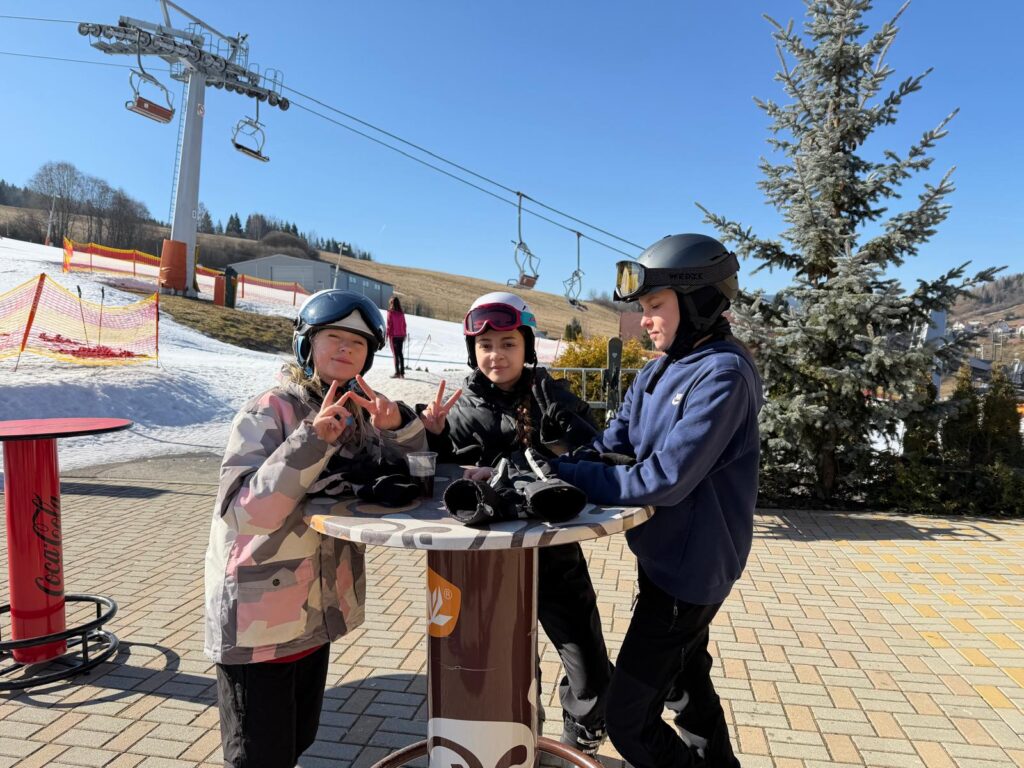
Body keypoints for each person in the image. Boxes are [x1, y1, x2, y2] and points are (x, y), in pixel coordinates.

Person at [553, 234, 763, 768]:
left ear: (699, 301)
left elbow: (665, 478)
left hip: (692, 571)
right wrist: (557, 465)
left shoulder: (723, 375)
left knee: (629, 719)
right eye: (643, 308)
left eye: (654, 306)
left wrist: (570, 475)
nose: (644, 320)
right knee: (685, 684)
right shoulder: (659, 369)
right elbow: (614, 441)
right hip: (663, 559)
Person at [204, 289, 427, 768]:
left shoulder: (359, 413)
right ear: (307, 343)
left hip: (313, 611)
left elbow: (405, 479)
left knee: (297, 741)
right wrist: (311, 440)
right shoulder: (271, 409)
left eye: (358, 342)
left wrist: (402, 427)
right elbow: (245, 512)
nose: (346, 348)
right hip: (258, 619)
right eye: (333, 337)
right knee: (259, 757)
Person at [419, 291, 613, 756]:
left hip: (553, 550)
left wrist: (561, 440)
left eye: (508, 343)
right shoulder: (462, 406)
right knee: (511, 660)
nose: (496, 355)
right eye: (485, 346)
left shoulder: (550, 394)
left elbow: (596, 453)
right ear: (473, 352)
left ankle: (581, 738)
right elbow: (440, 481)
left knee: (586, 658)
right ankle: (526, 739)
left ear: (527, 346)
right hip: (488, 561)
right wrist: (432, 437)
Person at [386, 295, 407, 378]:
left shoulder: (390, 313)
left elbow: (389, 325)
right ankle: (402, 373)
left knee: (395, 354)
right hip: (401, 336)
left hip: (393, 336)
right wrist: (404, 334)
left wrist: (386, 335)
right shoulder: (401, 313)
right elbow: (404, 325)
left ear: (391, 303)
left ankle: (397, 373)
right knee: (400, 354)